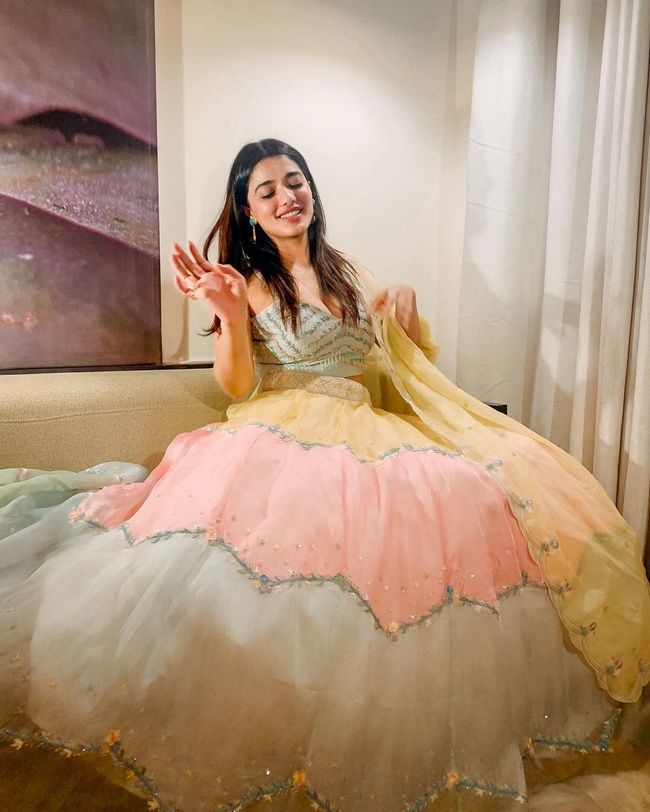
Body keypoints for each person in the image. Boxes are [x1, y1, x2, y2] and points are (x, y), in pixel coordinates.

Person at [0, 137, 648, 812]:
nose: (287, 197)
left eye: (295, 181)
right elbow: (239, 387)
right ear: (248, 212)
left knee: (474, 491)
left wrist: (405, 309)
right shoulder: (247, 280)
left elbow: (397, 367)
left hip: (369, 428)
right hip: (283, 427)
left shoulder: (350, 272)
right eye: (267, 191)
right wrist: (228, 315)